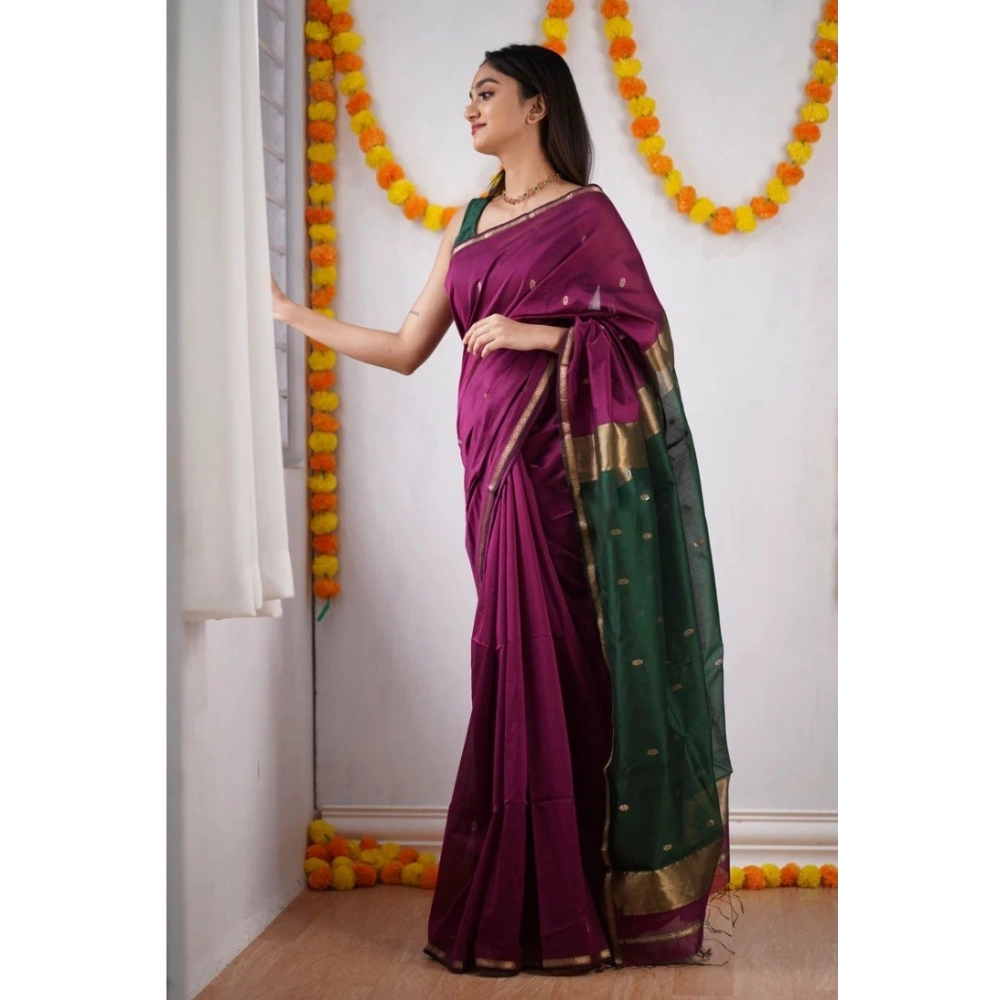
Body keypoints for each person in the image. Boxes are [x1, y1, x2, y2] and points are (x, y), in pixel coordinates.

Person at [271, 43, 732, 978]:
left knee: (559, 671)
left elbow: (642, 340)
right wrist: (289, 314)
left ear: (537, 105)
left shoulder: (588, 216)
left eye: (486, 92)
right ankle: (525, 900)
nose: (471, 108)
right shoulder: (470, 222)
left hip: (558, 483)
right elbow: (409, 347)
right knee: (506, 669)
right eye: (469, 96)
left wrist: (537, 333)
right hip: (488, 472)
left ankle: (573, 903)